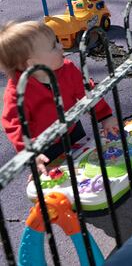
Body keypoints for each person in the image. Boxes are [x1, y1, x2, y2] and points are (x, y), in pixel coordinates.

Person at [0, 21, 119, 175]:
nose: (61, 46)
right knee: (60, 178)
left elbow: (87, 92)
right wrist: (30, 152)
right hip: (45, 146)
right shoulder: (17, 91)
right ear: (33, 63)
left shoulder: (67, 69)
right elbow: (15, 125)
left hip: (72, 129)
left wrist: (105, 116)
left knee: (86, 168)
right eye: (53, 46)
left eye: (57, 41)